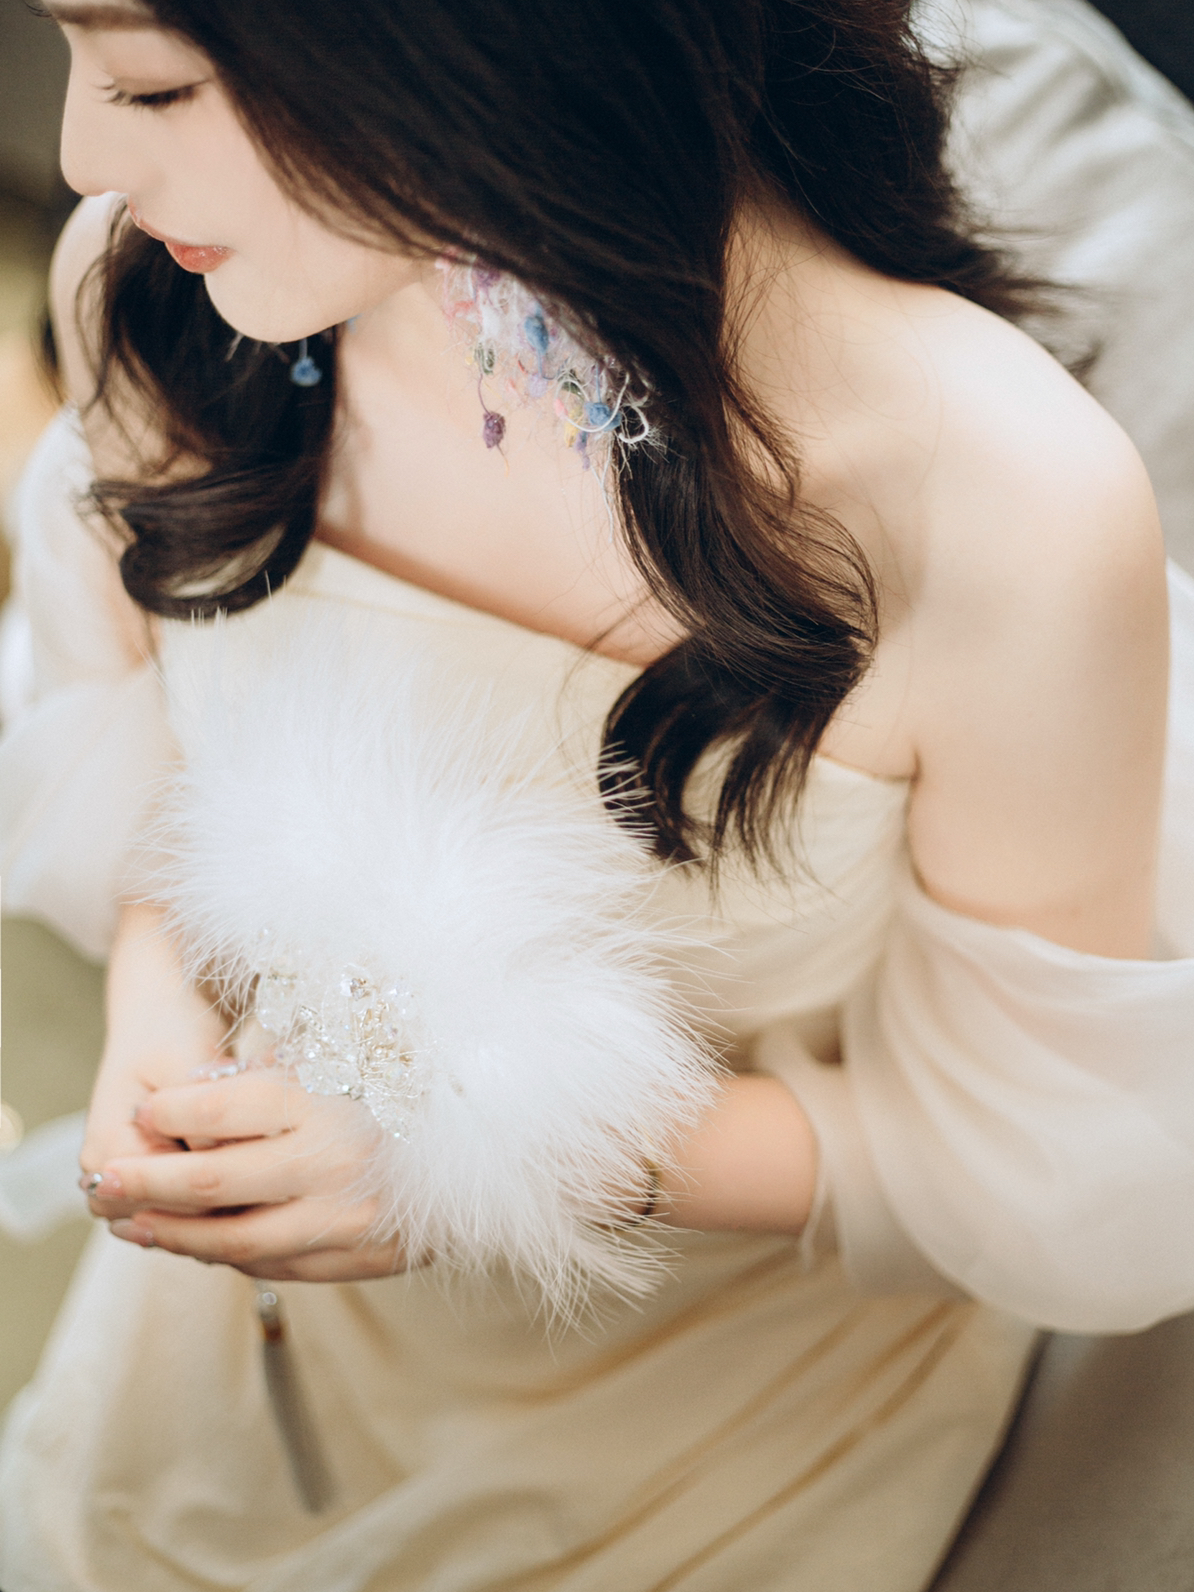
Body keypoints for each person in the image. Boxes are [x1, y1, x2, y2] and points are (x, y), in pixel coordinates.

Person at [1, 0, 1192, 1588]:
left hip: (707, 1424)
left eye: (157, 83)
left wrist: (491, 1152)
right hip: (221, 1354)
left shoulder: (1000, 517)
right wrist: (163, 1020)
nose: (86, 155)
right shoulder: (158, 290)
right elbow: (158, 764)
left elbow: (1032, 1156)